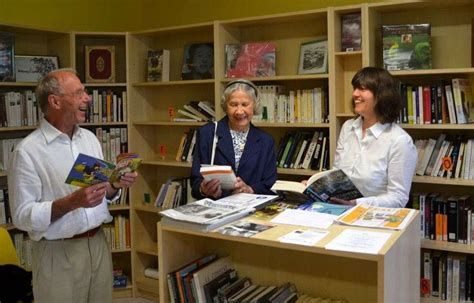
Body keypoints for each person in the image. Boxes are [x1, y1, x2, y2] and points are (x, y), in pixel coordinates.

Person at [8, 68, 138, 303]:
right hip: (58, 253)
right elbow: (21, 216)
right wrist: (70, 203)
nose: (87, 98)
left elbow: (101, 192)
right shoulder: (27, 152)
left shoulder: (88, 138)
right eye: (79, 93)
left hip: (98, 245)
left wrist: (115, 185)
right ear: (55, 101)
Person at [332, 66, 417, 208]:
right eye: (354, 88)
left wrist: (356, 204)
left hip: (374, 217)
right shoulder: (348, 127)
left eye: (362, 89)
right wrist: (318, 185)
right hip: (338, 209)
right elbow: (336, 174)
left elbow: (398, 198)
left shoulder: (399, 141)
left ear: (381, 95)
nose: (355, 94)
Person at [191, 79, 277, 199]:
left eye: (245, 104)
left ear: (255, 106)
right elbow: (195, 183)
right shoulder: (208, 133)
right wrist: (204, 190)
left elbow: (270, 184)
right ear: (226, 106)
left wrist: (249, 189)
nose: (239, 111)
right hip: (216, 209)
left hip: (251, 210)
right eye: (233, 104)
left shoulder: (266, 141)